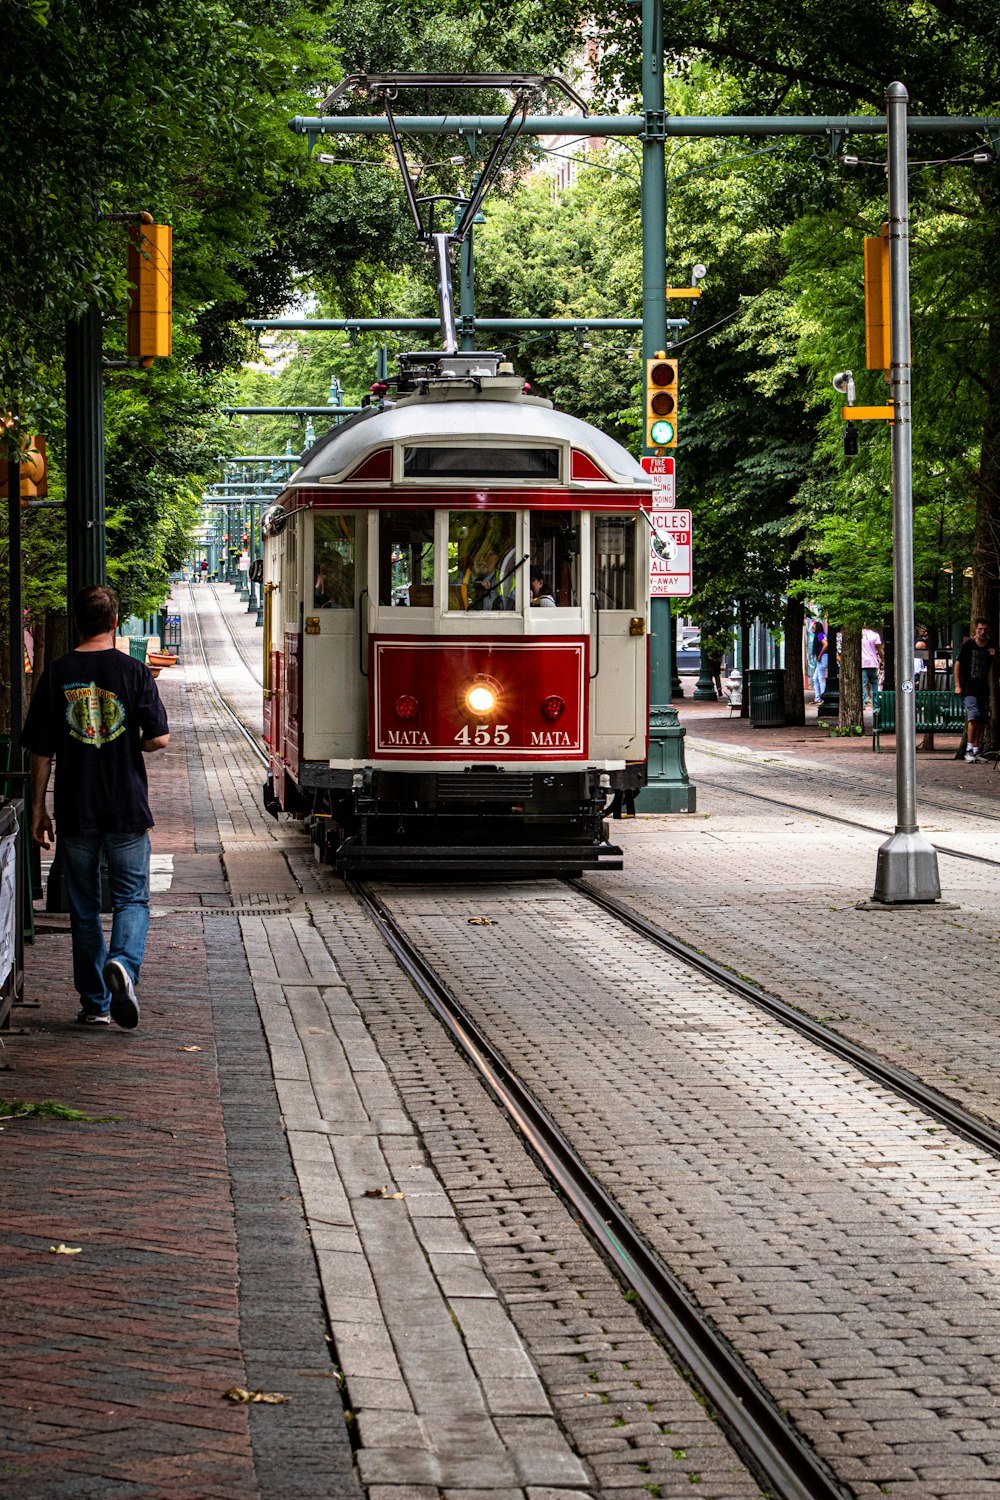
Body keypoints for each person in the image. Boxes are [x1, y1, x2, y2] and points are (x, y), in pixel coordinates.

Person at [21, 584, 170, 1027]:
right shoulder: (133, 671)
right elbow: (159, 738)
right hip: (125, 805)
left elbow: (41, 752)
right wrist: (133, 743)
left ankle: (96, 1004)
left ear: (76, 622)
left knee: (84, 909)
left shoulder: (56, 673)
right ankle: (123, 963)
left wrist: (37, 809)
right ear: (114, 621)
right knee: (132, 899)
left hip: (75, 807)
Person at [954, 617, 995, 763]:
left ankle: (977, 750)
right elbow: (957, 665)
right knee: (973, 715)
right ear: (975, 630)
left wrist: (994, 655)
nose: (982, 632)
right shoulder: (968, 645)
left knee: (983, 719)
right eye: (980, 629)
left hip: (983, 687)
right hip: (969, 687)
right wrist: (958, 685)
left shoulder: (991, 645)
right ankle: (969, 749)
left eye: (985, 629)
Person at [861, 625, 883, 709]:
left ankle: (864, 702)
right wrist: (882, 660)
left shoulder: (858, 635)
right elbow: (879, 649)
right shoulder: (875, 635)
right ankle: (875, 703)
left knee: (863, 683)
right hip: (873, 662)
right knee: (874, 683)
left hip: (863, 663)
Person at [811, 620, 828, 707]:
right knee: (815, 678)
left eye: (813, 628)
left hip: (823, 657)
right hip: (823, 657)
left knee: (821, 678)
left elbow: (825, 645)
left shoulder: (820, 635)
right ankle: (818, 698)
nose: (812, 629)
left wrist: (820, 655)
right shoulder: (821, 635)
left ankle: (824, 698)